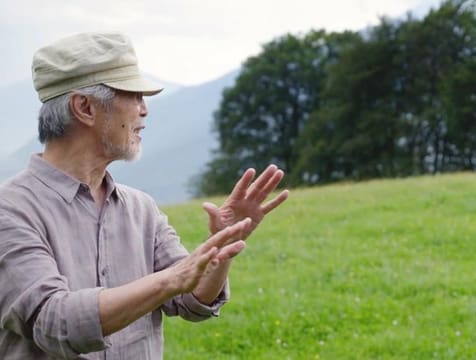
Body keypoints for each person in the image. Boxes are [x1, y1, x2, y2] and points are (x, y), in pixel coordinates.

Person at [0, 32, 289, 359]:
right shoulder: (9, 211)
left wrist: (221, 246)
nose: (144, 110)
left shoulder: (141, 208)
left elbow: (193, 300)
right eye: (134, 96)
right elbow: (54, 321)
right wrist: (169, 280)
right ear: (85, 107)